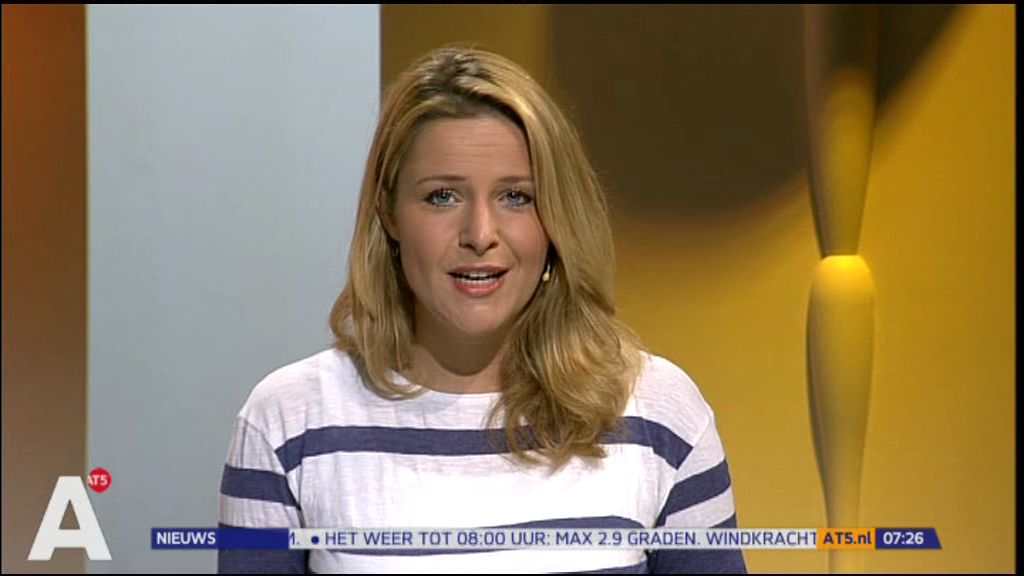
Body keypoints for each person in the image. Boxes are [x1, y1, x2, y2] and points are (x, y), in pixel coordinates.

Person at [218, 45, 746, 574]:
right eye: (442, 196)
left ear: (556, 218)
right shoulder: (287, 420)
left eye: (516, 197)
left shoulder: (658, 413)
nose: (480, 234)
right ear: (389, 214)